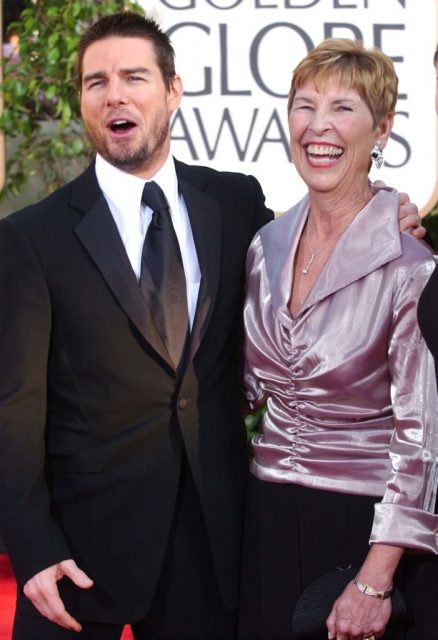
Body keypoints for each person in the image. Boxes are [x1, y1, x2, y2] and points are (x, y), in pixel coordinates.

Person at [0, 13, 425, 640]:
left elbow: (321, 236)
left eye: (134, 77)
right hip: (75, 557)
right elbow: (11, 409)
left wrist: (389, 211)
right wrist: (31, 545)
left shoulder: (235, 203)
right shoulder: (31, 237)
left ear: (173, 91)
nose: (114, 94)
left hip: (214, 546)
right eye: (96, 82)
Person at [239, 38, 438, 640]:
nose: (318, 126)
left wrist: (375, 580)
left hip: (368, 534)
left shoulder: (410, 264)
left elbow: (422, 435)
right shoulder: (264, 247)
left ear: (382, 128)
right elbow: (241, 391)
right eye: (304, 105)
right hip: (266, 520)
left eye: (343, 108)